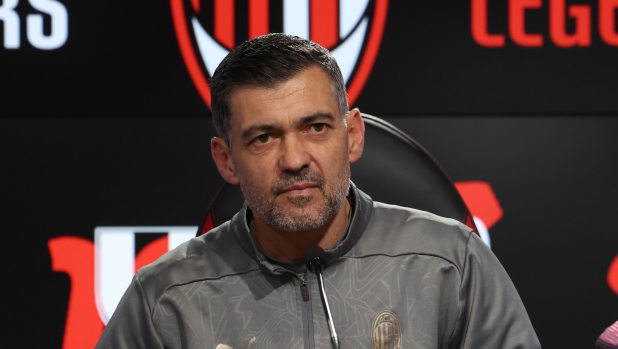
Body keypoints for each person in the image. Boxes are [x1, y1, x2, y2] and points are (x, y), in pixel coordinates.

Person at [96, 34, 541, 349]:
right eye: (263, 138)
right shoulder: (166, 300)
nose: (294, 158)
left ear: (353, 135)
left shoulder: (451, 263)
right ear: (226, 159)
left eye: (316, 127)